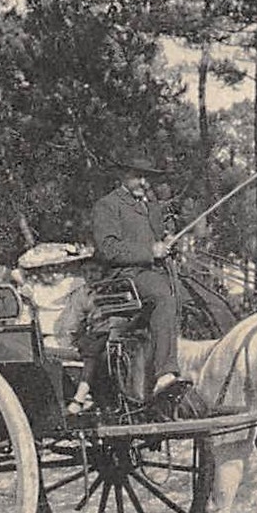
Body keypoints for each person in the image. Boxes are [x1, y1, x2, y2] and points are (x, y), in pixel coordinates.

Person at [91, 155, 182, 397]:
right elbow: (107, 249)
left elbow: (160, 241)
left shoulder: (150, 207)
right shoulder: (107, 205)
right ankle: (165, 374)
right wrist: (151, 250)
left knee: (198, 298)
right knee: (162, 297)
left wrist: (167, 243)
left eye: (147, 177)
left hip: (152, 272)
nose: (144, 182)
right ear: (123, 176)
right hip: (124, 277)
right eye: (138, 176)